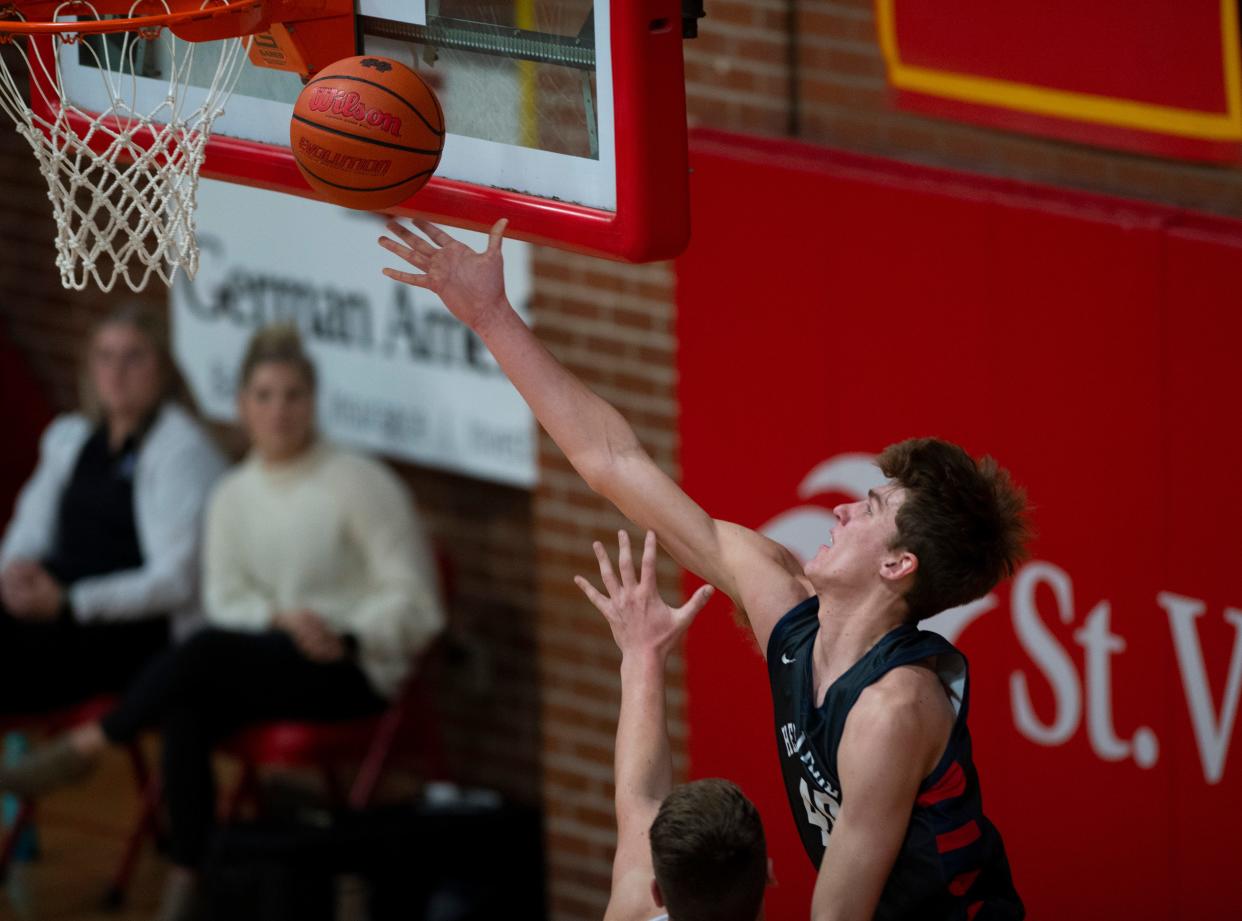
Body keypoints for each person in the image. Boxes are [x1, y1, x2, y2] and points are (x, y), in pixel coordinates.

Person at [378, 220, 1029, 921]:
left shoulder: (892, 710)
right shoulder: (783, 602)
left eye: (870, 508)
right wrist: (492, 316)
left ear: (900, 563)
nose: (842, 509)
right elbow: (616, 465)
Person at [0, 325, 446, 921]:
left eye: (292, 395)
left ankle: (92, 744)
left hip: (350, 665)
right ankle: (191, 877)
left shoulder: (359, 481)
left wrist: (345, 634)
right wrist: (277, 620)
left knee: (202, 655)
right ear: (241, 407)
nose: (279, 410)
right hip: (267, 658)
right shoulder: (235, 494)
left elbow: (419, 602)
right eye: (263, 396)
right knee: (188, 708)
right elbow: (225, 598)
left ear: (313, 402)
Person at [0, 303, 226, 713]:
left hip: (132, 630)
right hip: (60, 603)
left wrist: (71, 603)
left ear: (164, 368)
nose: (116, 372)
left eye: (133, 357)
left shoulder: (182, 451)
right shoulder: (71, 438)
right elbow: (30, 528)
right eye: (105, 356)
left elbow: (174, 581)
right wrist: (14, 573)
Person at [575, 529, 767, 921]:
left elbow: (638, 797)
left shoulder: (631, 908)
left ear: (656, 893)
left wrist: (642, 652)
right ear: (767, 876)